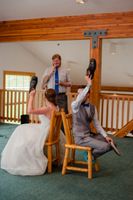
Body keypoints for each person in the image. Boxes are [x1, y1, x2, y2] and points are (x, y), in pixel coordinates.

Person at [1, 89, 65, 176]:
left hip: (45, 133)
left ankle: (22, 159)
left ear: (45, 98)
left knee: (21, 130)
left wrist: (31, 96)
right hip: (53, 132)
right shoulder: (56, 107)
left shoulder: (47, 108)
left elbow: (30, 111)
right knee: (23, 129)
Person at [71, 76, 114, 161]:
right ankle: (90, 156)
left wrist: (106, 136)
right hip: (80, 138)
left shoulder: (92, 108)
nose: (79, 96)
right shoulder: (74, 105)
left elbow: (97, 124)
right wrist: (89, 85)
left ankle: (92, 153)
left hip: (89, 136)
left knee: (112, 143)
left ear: (88, 95)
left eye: (82, 93)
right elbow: (79, 99)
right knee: (106, 146)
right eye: (78, 94)